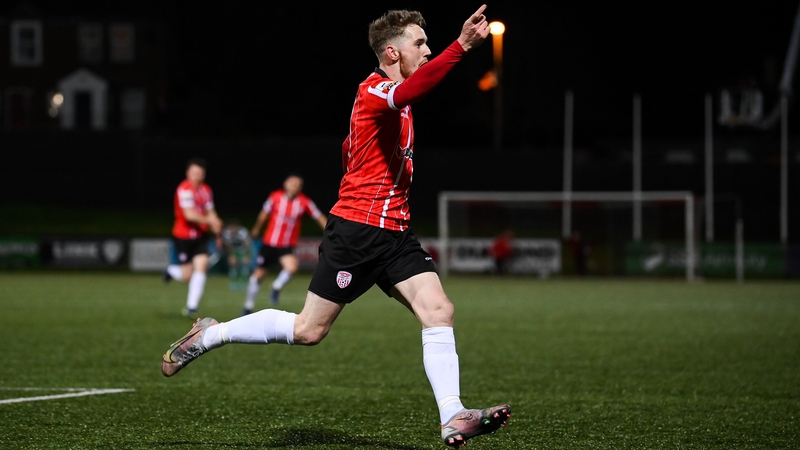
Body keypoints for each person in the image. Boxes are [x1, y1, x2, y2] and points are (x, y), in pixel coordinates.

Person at [161, 6, 511, 448]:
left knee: (439, 311)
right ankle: (210, 334)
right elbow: (411, 93)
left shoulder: (393, 103)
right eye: (419, 44)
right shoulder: (375, 90)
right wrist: (460, 47)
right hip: (359, 231)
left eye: (428, 44)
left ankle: (452, 415)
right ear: (391, 52)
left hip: (396, 234)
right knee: (309, 330)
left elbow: (351, 149)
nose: (426, 51)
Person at [242, 174, 327, 315]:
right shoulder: (275, 197)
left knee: (292, 267)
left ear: (300, 187)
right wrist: (256, 228)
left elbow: (318, 216)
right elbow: (264, 214)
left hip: (287, 245)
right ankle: (248, 305)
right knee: (257, 276)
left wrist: (329, 231)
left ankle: (276, 285)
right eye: (291, 182)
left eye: (297, 183)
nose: (294, 185)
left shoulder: (304, 202)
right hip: (270, 243)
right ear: (285, 184)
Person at [162, 157, 223, 317]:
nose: (197, 175)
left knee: (201, 268)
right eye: (194, 172)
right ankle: (171, 270)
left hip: (201, 236)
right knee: (186, 275)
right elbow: (189, 215)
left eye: (200, 173)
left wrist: (216, 229)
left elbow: (211, 212)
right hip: (183, 236)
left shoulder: (206, 190)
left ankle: (191, 307)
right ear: (188, 173)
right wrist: (210, 220)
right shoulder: (184, 189)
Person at [220, 219, 253, 291]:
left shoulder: (243, 232)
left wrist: (246, 255)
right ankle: (234, 283)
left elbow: (247, 244)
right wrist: (232, 255)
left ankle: (244, 283)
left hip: (243, 248)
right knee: (233, 264)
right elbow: (229, 245)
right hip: (234, 249)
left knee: (245, 264)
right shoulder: (227, 233)